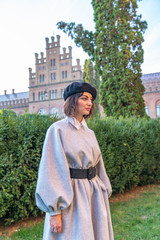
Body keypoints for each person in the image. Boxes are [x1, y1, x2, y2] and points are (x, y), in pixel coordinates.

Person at [35, 81, 114, 240]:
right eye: (84, 98)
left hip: (94, 194)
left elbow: (99, 165)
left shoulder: (89, 133)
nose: (90, 103)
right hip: (73, 196)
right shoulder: (57, 130)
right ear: (72, 100)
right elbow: (50, 170)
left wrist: (104, 188)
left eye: (91, 99)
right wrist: (55, 211)